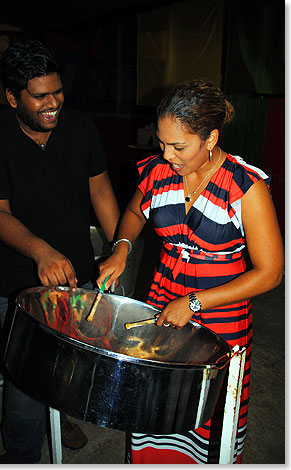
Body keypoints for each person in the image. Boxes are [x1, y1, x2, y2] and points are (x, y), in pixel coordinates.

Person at [97, 79, 284, 464]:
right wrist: (121, 249)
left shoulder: (245, 187)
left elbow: (270, 273)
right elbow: (134, 212)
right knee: (156, 397)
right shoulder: (157, 173)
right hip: (163, 295)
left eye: (178, 146)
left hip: (221, 307)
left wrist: (195, 303)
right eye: (162, 143)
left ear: (211, 138)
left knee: (208, 407)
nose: (167, 155)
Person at [0, 39, 120, 464]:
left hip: (81, 272)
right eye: (40, 96)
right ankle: (21, 453)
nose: (53, 103)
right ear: (12, 97)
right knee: (25, 376)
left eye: (57, 92)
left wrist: (120, 249)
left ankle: (59, 417)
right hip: (23, 276)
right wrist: (41, 251)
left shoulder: (80, 127)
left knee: (74, 364)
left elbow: (101, 189)